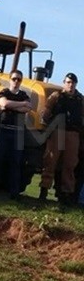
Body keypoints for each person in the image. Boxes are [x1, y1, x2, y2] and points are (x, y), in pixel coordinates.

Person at [0, 70, 31, 199]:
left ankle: (14, 194)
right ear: (10, 79)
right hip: (2, 130)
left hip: (17, 133)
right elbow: (3, 103)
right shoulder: (3, 92)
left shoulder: (24, 95)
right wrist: (19, 106)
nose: (16, 81)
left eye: (19, 79)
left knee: (15, 163)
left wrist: (10, 106)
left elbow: (28, 108)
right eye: (14, 79)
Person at [38, 72, 84, 206]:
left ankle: (66, 194)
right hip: (57, 132)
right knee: (50, 161)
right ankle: (44, 190)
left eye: (73, 83)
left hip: (73, 133)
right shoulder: (56, 96)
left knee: (70, 164)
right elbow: (46, 112)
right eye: (68, 82)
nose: (71, 85)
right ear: (64, 83)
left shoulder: (80, 100)